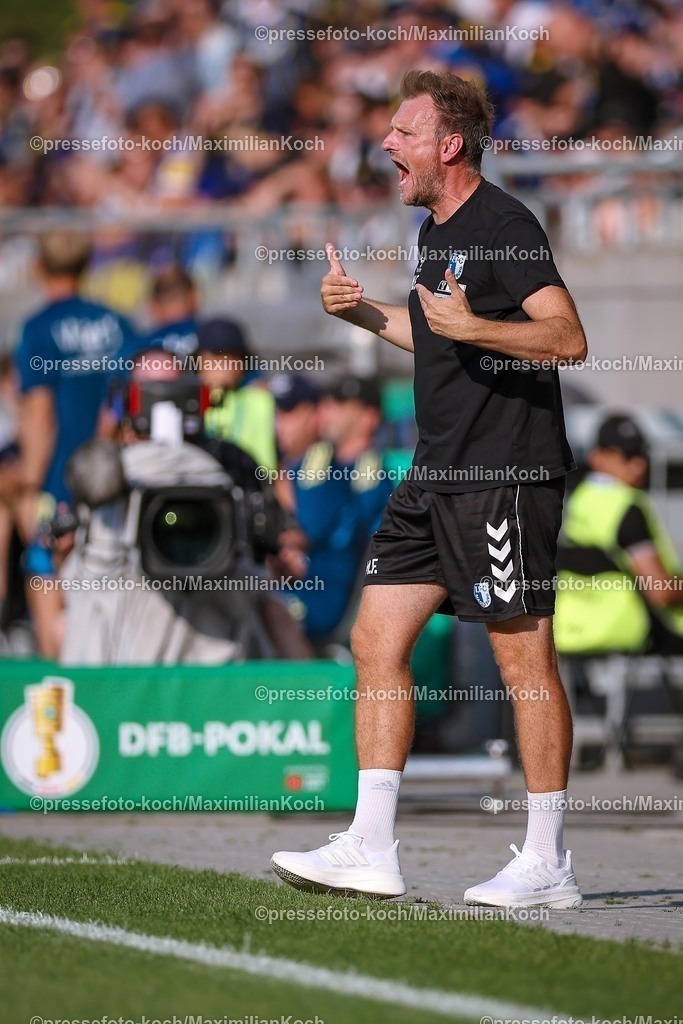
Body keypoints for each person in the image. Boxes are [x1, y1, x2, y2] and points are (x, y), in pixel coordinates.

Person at [271, 69, 588, 908]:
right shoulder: (435, 231)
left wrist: (472, 324)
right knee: (375, 641)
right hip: (434, 474)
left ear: (447, 144)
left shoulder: (504, 223)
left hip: (503, 477)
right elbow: (439, 342)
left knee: (522, 662)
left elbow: (566, 337)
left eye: (402, 133)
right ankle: (371, 845)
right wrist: (364, 316)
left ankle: (547, 862)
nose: (386, 145)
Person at [13, 230, 135, 657]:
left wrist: (31, 487)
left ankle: (61, 693)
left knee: (47, 582)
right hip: (117, 479)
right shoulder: (118, 324)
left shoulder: (38, 328)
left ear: (39, 268)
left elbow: (39, 416)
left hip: (61, 480)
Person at [273, 374, 391, 643]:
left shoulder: (369, 474)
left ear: (368, 418)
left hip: (331, 601)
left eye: (340, 404)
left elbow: (346, 540)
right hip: (302, 586)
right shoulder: (320, 465)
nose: (327, 409)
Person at [555, 414, 683, 656]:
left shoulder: (578, 501)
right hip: (627, 627)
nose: (638, 465)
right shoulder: (626, 507)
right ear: (597, 457)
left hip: (572, 629)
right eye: (626, 455)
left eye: (640, 454)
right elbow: (660, 591)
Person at [197, 318, 278, 472]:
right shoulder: (188, 400)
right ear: (198, 360)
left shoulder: (261, 400)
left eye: (233, 357)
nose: (225, 363)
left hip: (249, 486)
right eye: (216, 355)